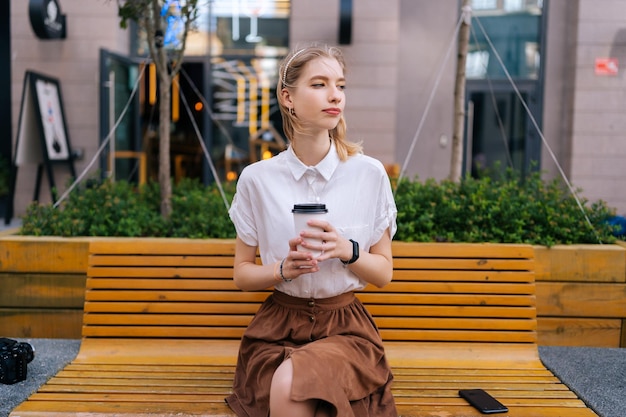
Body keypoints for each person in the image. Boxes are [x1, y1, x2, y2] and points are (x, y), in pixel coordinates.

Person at [225, 44, 398, 417]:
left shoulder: (368, 174)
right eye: (319, 84)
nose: (335, 95)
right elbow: (241, 274)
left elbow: (384, 273)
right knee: (292, 387)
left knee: (290, 385)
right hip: (276, 328)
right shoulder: (257, 179)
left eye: (340, 85)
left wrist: (346, 249)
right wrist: (281, 270)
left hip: (345, 328)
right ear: (287, 97)